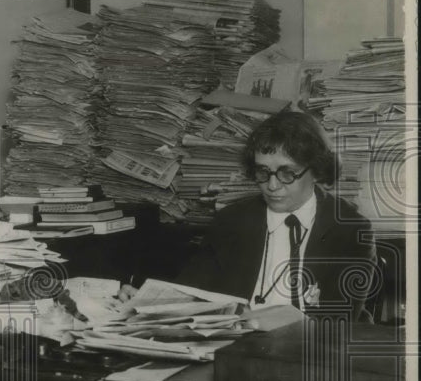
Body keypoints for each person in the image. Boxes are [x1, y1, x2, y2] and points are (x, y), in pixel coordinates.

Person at [121, 110, 377, 316]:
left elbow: (339, 318)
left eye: (288, 173)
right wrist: (146, 300)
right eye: (263, 172)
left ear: (317, 171)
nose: (273, 185)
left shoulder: (349, 229)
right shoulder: (231, 221)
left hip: (308, 357)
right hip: (234, 350)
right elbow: (194, 289)